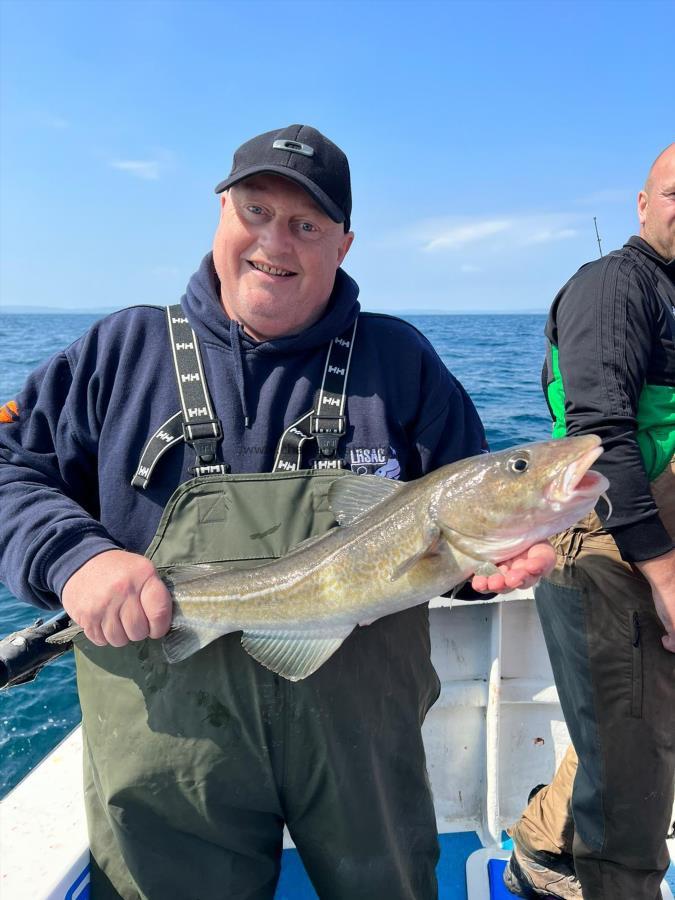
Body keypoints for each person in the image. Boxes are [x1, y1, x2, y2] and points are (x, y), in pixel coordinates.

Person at [0, 124, 554, 900]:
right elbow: (8, 466)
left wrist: (486, 569)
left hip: (361, 744)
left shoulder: (402, 364)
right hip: (169, 745)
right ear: (220, 210)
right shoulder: (116, 352)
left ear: (344, 243)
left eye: (305, 224)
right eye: (255, 211)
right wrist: (74, 557)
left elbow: (454, 528)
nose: (274, 241)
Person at [503, 144, 675, 900]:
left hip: (653, 544)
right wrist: (664, 574)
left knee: (628, 727)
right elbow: (601, 429)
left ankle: (541, 844)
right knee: (635, 773)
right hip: (607, 550)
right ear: (642, 204)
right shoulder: (615, 285)